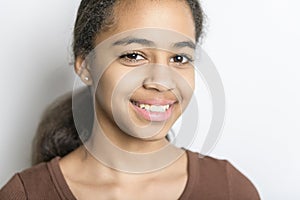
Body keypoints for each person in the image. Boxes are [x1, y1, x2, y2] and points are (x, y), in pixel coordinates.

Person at [0, 0, 261, 199]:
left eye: (179, 58)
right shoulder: (26, 194)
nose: (161, 82)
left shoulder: (228, 190)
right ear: (85, 66)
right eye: (134, 55)